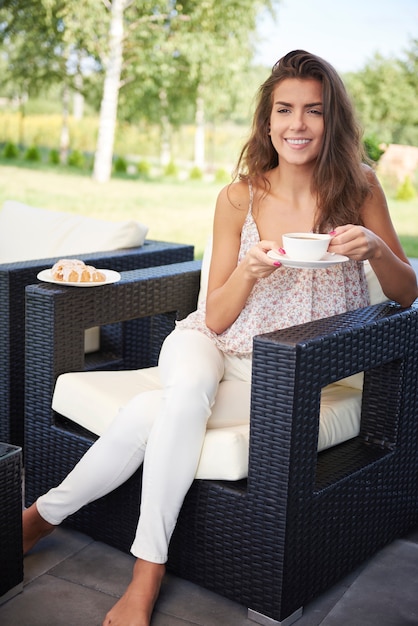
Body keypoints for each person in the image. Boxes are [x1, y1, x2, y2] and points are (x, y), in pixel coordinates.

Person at [23, 50, 417, 626]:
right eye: (284, 110)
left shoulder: (358, 189)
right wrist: (251, 271)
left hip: (283, 374)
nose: (297, 125)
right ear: (267, 119)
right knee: (182, 395)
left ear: (334, 121)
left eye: (314, 111)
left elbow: (407, 294)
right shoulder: (240, 197)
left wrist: (377, 250)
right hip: (207, 346)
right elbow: (213, 319)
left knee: (153, 412)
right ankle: (146, 575)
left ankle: (39, 517)